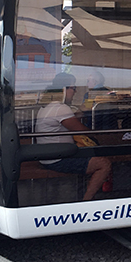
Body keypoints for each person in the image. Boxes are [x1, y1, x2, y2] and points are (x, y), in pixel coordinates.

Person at [35, 72, 111, 200]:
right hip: (58, 159)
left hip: (49, 156)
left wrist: (82, 110)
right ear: (65, 89)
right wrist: (100, 135)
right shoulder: (60, 108)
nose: (75, 92)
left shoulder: (49, 106)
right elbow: (81, 130)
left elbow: (69, 120)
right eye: (73, 88)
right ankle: (86, 201)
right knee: (104, 164)